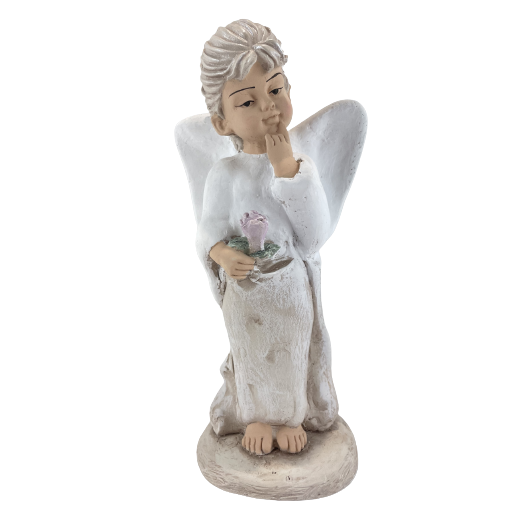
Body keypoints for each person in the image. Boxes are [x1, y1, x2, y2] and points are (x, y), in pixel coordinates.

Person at [197, 19, 338, 455]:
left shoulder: (300, 164)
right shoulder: (225, 173)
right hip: (246, 288)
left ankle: (291, 415)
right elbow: (209, 232)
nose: (268, 107)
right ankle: (255, 415)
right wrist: (222, 254)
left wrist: (286, 170)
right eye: (248, 100)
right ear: (221, 123)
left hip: (289, 281)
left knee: (292, 342)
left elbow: (313, 236)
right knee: (251, 347)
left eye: (276, 89)